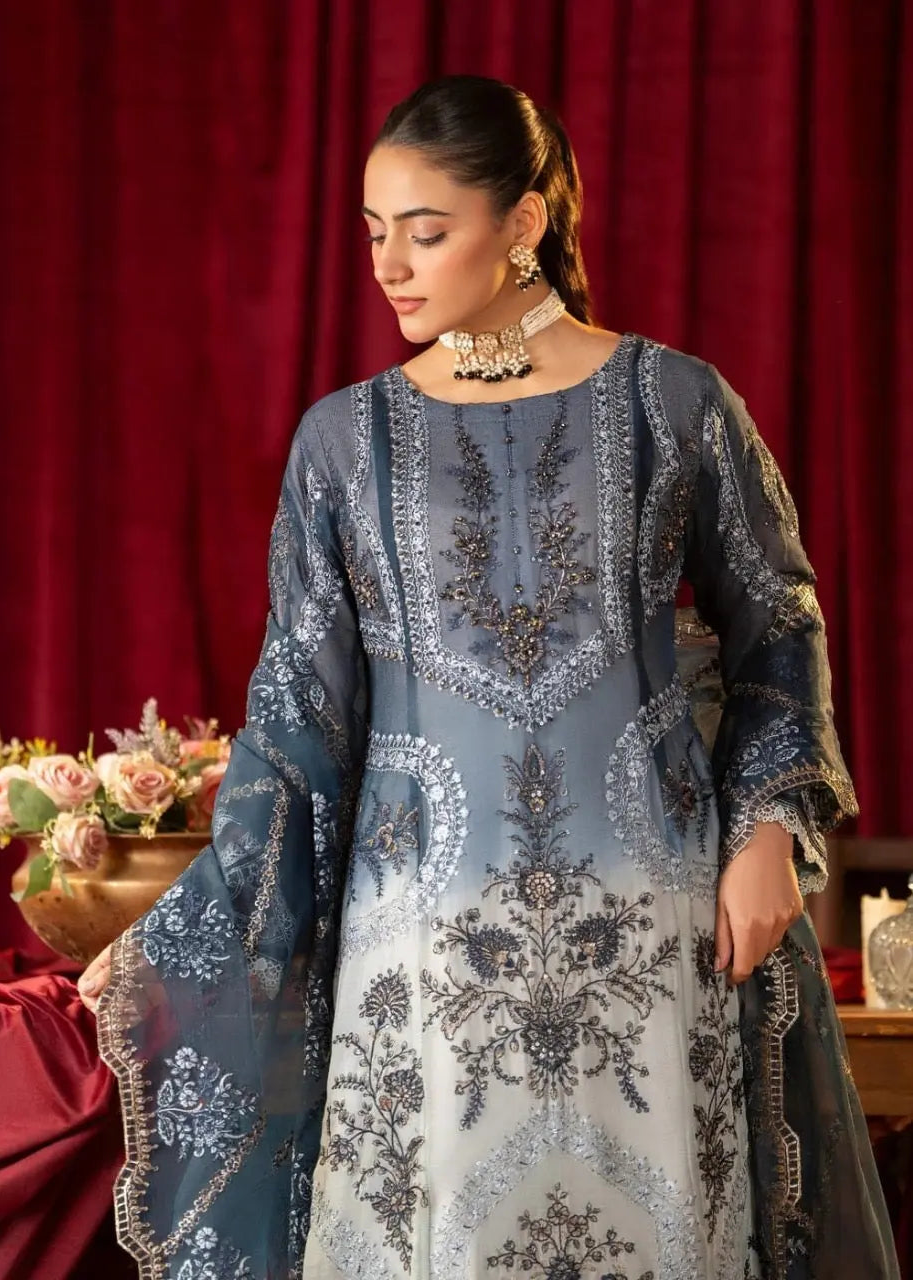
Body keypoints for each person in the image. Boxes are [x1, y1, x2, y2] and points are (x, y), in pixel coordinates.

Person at [80, 75, 899, 1279]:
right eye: (373, 232)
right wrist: (184, 922)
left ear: (522, 223)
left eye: (425, 231)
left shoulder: (675, 403)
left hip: (648, 926)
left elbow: (776, 620)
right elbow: (297, 709)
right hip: (424, 943)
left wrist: (770, 826)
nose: (388, 266)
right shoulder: (342, 440)